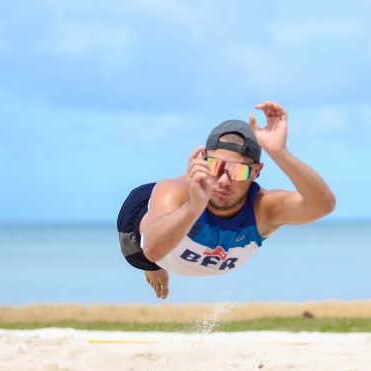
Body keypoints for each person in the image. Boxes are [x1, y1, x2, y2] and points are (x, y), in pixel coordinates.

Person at [117, 101, 336, 299]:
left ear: (256, 172)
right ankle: (150, 267)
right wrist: (194, 206)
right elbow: (153, 251)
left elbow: (323, 205)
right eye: (215, 166)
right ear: (203, 161)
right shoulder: (176, 191)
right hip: (139, 229)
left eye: (238, 171)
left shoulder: (263, 208)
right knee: (141, 255)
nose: (223, 180)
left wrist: (279, 152)